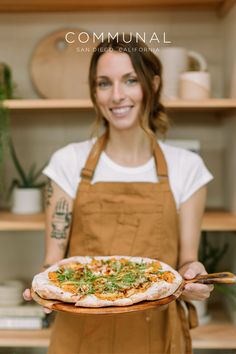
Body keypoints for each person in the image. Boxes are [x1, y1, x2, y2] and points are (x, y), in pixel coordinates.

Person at [24, 34, 214, 354]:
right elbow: (53, 263)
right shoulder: (67, 162)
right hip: (81, 335)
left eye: (129, 81)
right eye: (103, 83)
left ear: (152, 86)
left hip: (156, 334)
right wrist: (47, 290)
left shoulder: (188, 167)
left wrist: (193, 276)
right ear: (94, 92)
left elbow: (186, 262)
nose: (117, 96)